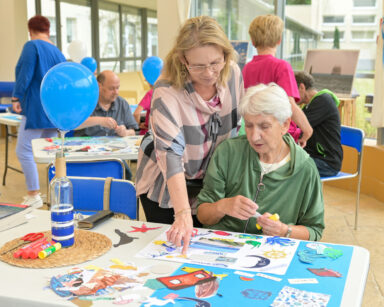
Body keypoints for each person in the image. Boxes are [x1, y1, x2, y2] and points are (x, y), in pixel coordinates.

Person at [135, 16, 243, 254]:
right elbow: (170, 155)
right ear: (183, 59)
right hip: (165, 185)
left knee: (207, 252)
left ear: (226, 54)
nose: (209, 73)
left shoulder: (233, 73)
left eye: (215, 62)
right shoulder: (167, 89)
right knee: (173, 251)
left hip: (209, 183)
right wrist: (182, 213)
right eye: (198, 66)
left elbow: (235, 132)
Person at [197, 83, 324, 241]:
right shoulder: (228, 152)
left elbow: (314, 230)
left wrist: (285, 230)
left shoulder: (305, 168)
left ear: (285, 124)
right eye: (249, 125)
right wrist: (222, 206)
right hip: (222, 246)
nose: (254, 136)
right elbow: (203, 215)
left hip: (271, 253)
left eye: (264, 126)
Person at [12, 15, 66, 208]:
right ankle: (55, 192)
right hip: (53, 109)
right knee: (50, 152)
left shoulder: (31, 46)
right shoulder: (57, 52)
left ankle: (34, 194)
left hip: (35, 107)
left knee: (24, 150)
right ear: (48, 30)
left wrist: (16, 97)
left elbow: (25, 74)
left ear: (30, 30)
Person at [241, 14, 312, 147]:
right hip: (279, 136)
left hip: (254, 135)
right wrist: (307, 130)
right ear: (279, 40)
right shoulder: (281, 67)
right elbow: (290, 104)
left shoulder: (247, 68)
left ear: (253, 41)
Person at [75, 70, 138, 180]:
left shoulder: (122, 103)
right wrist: (99, 120)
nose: (116, 92)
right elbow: (73, 125)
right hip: (87, 156)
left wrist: (125, 132)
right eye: (111, 88)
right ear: (99, 86)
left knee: (125, 174)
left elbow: (133, 130)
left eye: (118, 88)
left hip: (114, 156)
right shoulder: (86, 102)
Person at [295, 71, 343, 177]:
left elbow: (297, 127)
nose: (291, 95)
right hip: (313, 157)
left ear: (302, 87)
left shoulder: (323, 101)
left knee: (287, 167)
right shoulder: (308, 106)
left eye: (293, 90)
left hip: (327, 162)